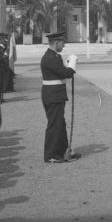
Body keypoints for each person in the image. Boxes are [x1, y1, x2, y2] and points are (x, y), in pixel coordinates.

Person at [40, 31, 80, 163]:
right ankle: (51, 155)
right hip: (53, 96)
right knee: (54, 125)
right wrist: (72, 63)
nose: (64, 45)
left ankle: (64, 150)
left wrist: (69, 64)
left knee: (60, 124)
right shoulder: (50, 58)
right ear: (55, 43)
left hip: (55, 94)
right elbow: (66, 73)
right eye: (62, 43)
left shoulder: (55, 56)